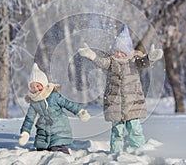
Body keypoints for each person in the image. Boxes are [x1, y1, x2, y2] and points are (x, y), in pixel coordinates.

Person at [78, 25, 163, 153]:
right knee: (117, 131)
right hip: (116, 105)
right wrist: (92, 55)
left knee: (134, 128)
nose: (118, 54)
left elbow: (143, 62)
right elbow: (101, 62)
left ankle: (138, 150)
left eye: (121, 51)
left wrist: (150, 58)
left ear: (127, 52)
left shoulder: (133, 62)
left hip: (132, 104)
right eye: (116, 51)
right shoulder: (111, 62)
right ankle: (116, 152)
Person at [18, 63, 91, 154]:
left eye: (38, 86)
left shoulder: (53, 96)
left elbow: (68, 104)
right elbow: (29, 118)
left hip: (59, 129)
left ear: (44, 84)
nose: (36, 89)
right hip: (43, 132)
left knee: (57, 149)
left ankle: (64, 158)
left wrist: (80, 112)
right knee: (41, 151)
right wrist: (25, 132)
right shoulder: (34, 102)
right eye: (32, 87)